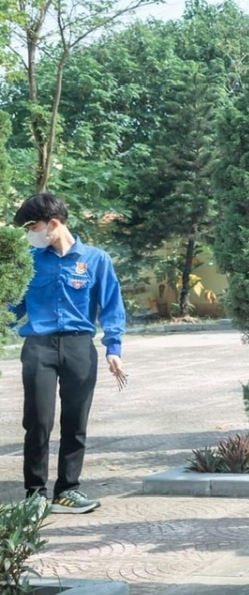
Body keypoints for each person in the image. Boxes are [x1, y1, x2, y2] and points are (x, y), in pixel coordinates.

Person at [11, 192, 126, 515]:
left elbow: (112, 305)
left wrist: (113, 348)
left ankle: (67, 490)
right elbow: (13, 305)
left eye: (33, 226)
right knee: (39, 420)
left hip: (79, 348)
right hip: (38, 348)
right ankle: (35, 494)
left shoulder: (95, 259)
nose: (30, 233)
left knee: (75, 422)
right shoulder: (30, 262)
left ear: (54, 224)